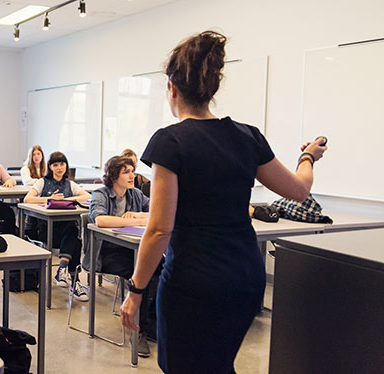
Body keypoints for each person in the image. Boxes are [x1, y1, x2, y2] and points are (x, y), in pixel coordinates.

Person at [119, 31, 327, 373]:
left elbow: (159, 230)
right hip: (245, 278)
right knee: (218, 363)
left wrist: (136, 291)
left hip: (193, 283)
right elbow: (298, 190)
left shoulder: (169, 141)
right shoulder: (248, 137)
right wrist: (307, 157)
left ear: (172, 88)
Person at [88, 155, 159, 357]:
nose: (132, 175)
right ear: (113, 176)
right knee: (141, 276)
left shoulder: (135, 194)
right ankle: (139, 332)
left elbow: (157, 212)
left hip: (133, 250)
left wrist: (137, 216)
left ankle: (151, 322)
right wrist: (134, 221)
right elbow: (100, 220)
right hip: (107, 253)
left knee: (163, 267)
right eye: (126, 172)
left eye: (132, 171)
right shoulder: (101, 194)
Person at [23, 151, 91, 301]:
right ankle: (74, 282)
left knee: (74, 234)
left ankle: (63, 270)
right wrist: (50, 199)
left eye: (62, 164)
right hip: (47, 231)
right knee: (75, 239)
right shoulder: (42, 182)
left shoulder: (70, 184)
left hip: (66, 234)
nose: (59, 167)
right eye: (55, 165)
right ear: (50, 167)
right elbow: (28, 199)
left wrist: (67, 199)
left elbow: (88, 196)